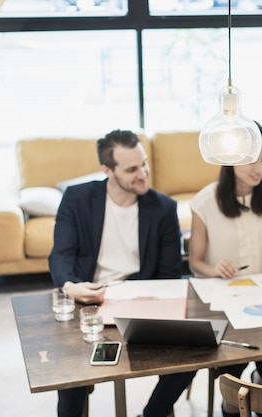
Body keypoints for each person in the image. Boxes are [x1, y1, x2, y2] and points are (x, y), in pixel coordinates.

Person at [49, 129, 195, 417]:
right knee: (68, 374)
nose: (143, 173)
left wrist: (136, 299)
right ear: (107, 170)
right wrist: (70, 286)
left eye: (144, 164)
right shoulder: (78, 199)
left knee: (193, 353)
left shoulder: (164, 208)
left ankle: (153, 413)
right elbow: (61, 254)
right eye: (131, 169)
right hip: (87, 300)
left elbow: (169, 275)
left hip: (141, 300)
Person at [188, 121, 262, 417]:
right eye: (250, 160)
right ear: (230, 160)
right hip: (224, 299)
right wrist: (214, 268)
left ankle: (259, 383)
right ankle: (231, 404)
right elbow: (195, 262)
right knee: (231, 361)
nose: (259, 168)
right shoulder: (205, 202)